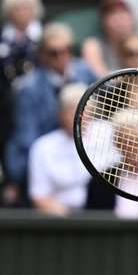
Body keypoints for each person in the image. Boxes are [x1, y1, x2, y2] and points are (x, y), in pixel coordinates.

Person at [4, 23, 95, 206]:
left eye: (67, 50)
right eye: (54, 52)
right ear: (42, 55)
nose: (62, 57)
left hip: (85, 156)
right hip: (47, 163)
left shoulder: (85, 72)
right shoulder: (28, 89)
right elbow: (26, 137)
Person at [0, 0, 44, 155]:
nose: (23, 12)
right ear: (8, 9)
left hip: (41, 111)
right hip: (7, 115)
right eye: (17, 6)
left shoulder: (47, 39)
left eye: (27, 6)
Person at [27, 83, 91, 216]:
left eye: (84, 111)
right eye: (72, 111)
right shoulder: (42, 147)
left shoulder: (108, 137)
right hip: (58, 222)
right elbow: (39, 196)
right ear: (60, 115)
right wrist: (73, 219)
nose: (78, 117)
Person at [80, 0, 135, 77]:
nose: (120, 20)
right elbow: (101, 79)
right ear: (103, 21)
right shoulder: (93, 45)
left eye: (123, 13)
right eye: (113, 14)